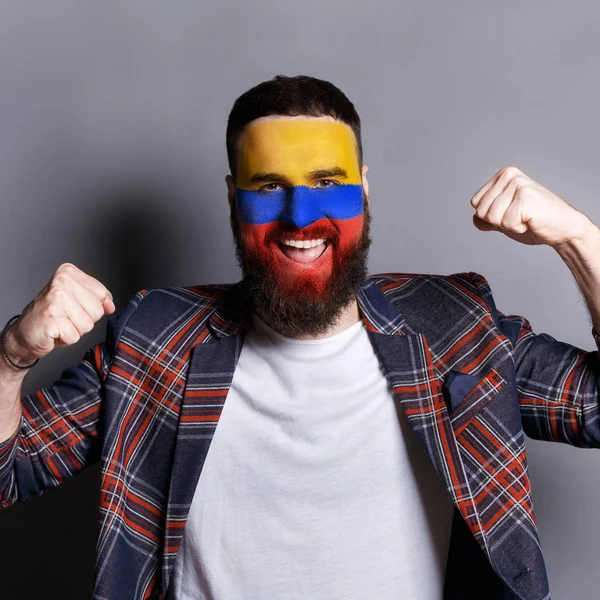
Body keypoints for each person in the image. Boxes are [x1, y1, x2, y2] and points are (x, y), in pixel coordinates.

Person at [1, 74, 599, 600]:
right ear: (233, 198)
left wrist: (578, 237)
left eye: (326, 181)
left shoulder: (456, 327)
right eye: (267, 187)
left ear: (364, 189)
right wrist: (13, 356)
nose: (298, 216)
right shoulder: (153, 340)